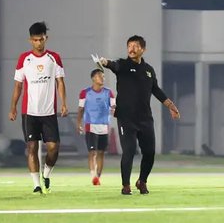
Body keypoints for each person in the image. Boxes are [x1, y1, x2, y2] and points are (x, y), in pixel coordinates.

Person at [99, 35, 180, 195]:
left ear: (143, 49)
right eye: (129, 45)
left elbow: (156, 90)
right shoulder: (122, 65)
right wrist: (104, 62)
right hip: (126, 118)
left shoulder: (149, 70)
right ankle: (125, 185)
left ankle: (142, 181)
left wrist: (171, 106)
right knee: (129, 150)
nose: (131, 49)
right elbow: (112, 65)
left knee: (149, 152)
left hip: (145, 118)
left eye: (135, 46)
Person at [9, 22, 68, 194]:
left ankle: (47, 172)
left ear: (46, 38)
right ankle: (36, 185)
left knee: (53, 148)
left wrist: (64, 102)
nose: (39, 43)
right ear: (30, 40)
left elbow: (60, 82)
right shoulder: (24, 59)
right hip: (29, 112)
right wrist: (13, 107)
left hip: (49, 112)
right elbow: (18, 86)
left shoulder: (54, 58)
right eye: (35, 40)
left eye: (41, 39)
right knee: (32, 148)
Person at [77, 69, 115, 186]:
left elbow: (113, 106)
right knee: (92, 152)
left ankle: (98, 177)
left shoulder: (109, 92)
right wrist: (79, 123)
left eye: (103, 76)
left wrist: (114, 110)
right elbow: (81, 109)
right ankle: (93, 176)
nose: (102, 78)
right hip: (91, 125)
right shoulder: (85, 92)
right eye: (99, 76)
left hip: (104, 125)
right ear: (93, 78)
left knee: (101, 153)